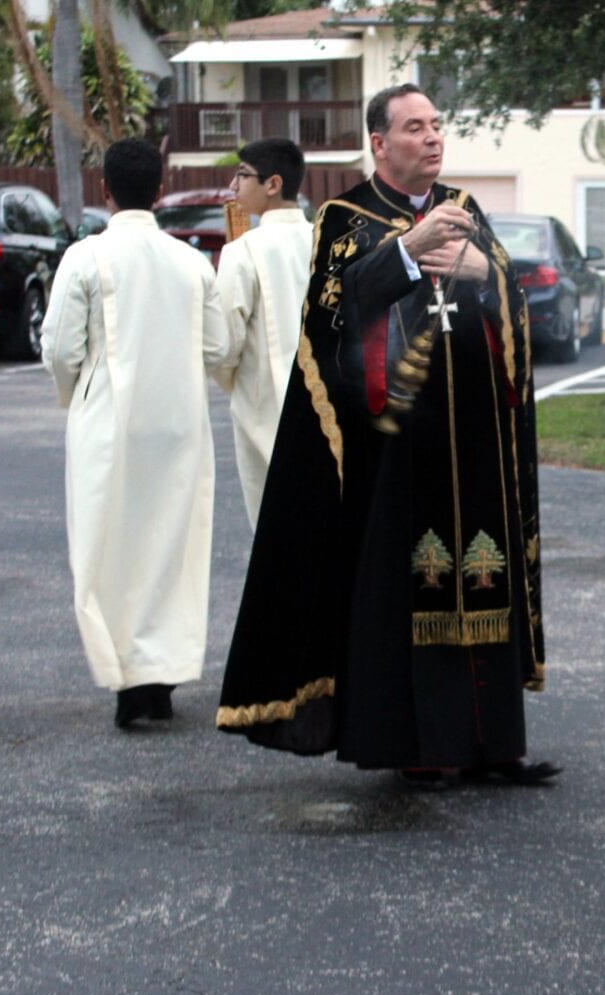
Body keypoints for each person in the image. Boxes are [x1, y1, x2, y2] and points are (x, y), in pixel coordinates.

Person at [215, 83, 553, 788]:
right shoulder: (345, 218)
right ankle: (421, 743)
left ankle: (493, 742)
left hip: (476, 443)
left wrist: (485, 272)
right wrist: (407, 255)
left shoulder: (467, 209)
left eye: (436, 126)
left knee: (482, 576)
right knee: (413, 587)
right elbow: (333, 317)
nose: (432, 138)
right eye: (413, 128)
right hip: (397, 450)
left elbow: (511, 306)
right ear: (379, 143)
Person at [41, 137, 231, 728]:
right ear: (159, 189)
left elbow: (59, 348)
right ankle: (162, 677)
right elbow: (219, 347)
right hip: (177, 422)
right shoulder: (192, 261)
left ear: (105, 189)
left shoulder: (85, 256)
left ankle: (126, 676)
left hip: (109, 421)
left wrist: (80, 394)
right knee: (171, 546)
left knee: (109, 545)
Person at [214, 137, 315, 528]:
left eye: (242, 175)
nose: (233, 186)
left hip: (264, 403)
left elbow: (223, 347)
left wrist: (237, 384)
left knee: (273, 527)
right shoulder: (326, 241)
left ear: (273, 184)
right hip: (326, 404)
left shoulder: (243, 251)